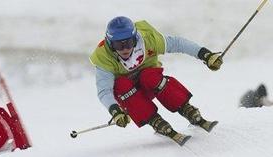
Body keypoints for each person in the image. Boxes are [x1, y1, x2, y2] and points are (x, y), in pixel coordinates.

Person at [89, 16, 222, 144]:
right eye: (118, 45)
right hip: (128, 96)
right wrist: (115, 110)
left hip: (150, 85)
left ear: (135, 39)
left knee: (149, 76)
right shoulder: (104, 56)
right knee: (120, 84)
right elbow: (104, 91)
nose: (125, 49)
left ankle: (186, 108)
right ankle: (154, 120)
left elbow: (178, 43)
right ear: (110, 44)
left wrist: (205, 55)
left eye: (128, 43)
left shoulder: (148, 40)